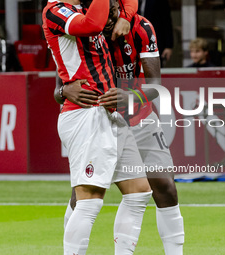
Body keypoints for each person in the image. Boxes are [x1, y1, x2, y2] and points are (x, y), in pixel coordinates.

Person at [55, 1, 184, 254]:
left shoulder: (141, 27)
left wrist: (132, 97)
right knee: (83, 196)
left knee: (164, 186)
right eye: (104, 14)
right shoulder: (80, 29)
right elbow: (59, 90)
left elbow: (156, 86)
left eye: (113, 11)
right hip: (98, 118)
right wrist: (64, 90)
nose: (108, 19)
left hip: (138, 115)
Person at [43, 0, 152, 254]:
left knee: (138, 192)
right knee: (89, 200)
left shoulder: (82, 7)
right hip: (86, 113)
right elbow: (92, 26)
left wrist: (125, 15)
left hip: (109, 112)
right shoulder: (55, 10)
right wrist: (61, 90)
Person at [138, 0, 174, 66]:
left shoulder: (159, 1)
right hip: (138, 41)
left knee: (154, 67)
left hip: (156, 40)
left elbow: (167, 22)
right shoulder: (134, 2)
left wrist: (169, 45)